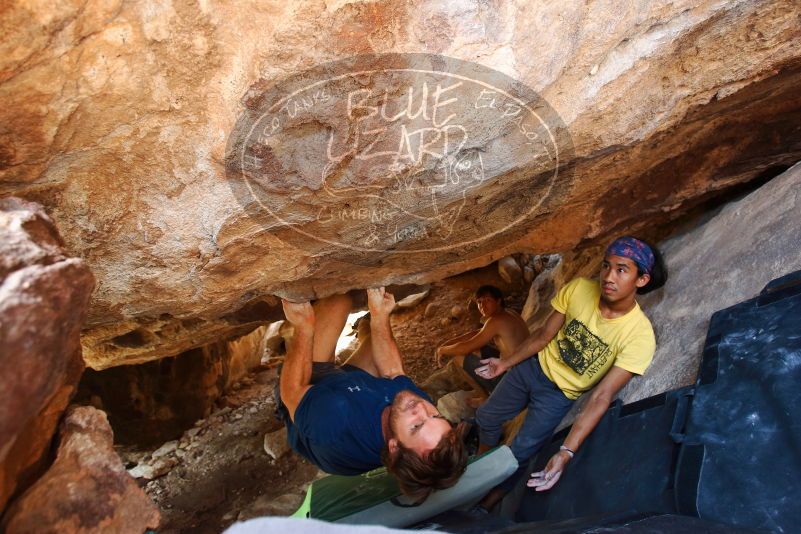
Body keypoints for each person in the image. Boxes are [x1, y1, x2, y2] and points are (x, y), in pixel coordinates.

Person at [474, 236, 667, 509]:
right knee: (486, 418)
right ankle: (478, 470)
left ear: (642, 280)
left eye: (621, 270)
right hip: (531, 368)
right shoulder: (579, 290)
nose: (609, 277)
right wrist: (506, 363)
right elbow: (543, 335)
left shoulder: (639, 336)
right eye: (606, 266)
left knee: (518, 454)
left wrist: (566, 452)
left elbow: (601, 396)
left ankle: (487, 503)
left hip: (558, 396)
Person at [277, 287, 468, 501]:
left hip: (310, 389)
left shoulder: (335, 422)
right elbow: (394, 372)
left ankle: (305, 335)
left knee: (338, 302)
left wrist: (303, 327)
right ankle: (364, 325)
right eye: (436, 416)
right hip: (354, 388)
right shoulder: (416, 410)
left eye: (416, 426)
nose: (421, 408)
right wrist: (379, 314)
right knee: (373, 338)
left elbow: (291, 391)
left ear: (394, 447)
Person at [435, 285, 530, 394]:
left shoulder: (495, 321)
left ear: (498, 301)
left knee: (458, 357)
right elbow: (477, 333)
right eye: (479, 302)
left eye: (487, 300)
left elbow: (464, 349)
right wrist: (446, 344)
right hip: (527, 370)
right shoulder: (509, 313)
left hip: (516, 382)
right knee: (478, 348)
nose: (482, 306)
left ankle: (484, 397)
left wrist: (441, 350)